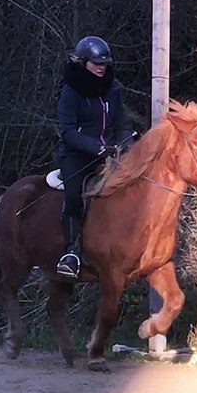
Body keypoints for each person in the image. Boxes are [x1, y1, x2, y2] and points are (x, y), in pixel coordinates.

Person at [54, 35, 132, 278]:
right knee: (74, 194)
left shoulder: (113, 88)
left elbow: (122, 123)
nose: (101, 67)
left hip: (108, 154)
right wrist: (95, 147)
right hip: (76, 155)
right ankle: (71, 252)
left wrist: (126, 144)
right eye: (96, 63)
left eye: (105, 63)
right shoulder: (71, 90)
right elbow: (66, 131)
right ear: (83, 62)